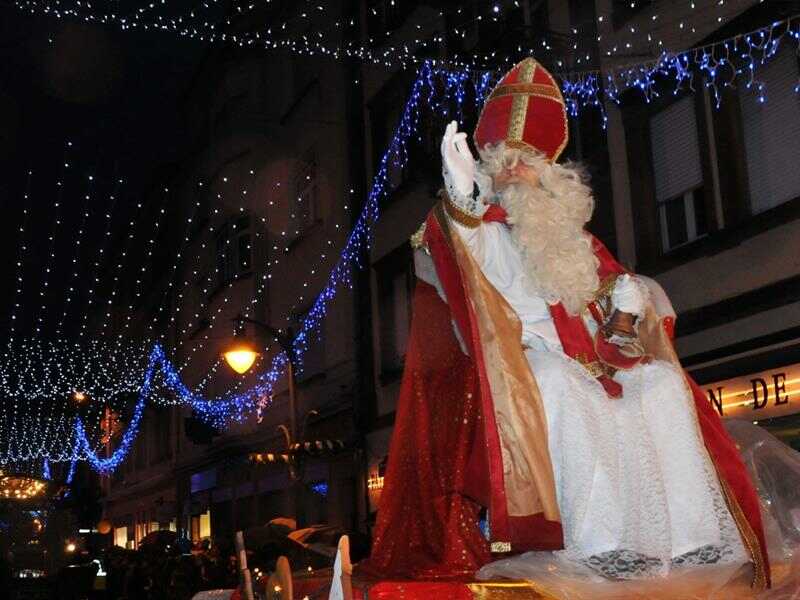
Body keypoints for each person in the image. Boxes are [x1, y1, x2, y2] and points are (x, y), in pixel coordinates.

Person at [363, 57, 771, 590]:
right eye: (502, 163)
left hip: (601, 363)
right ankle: (605, 545)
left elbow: (616, 319)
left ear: (554, 177)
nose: (513, 171)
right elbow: (457, 245)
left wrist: (628, 304)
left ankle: (695, 536)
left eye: (525, 162)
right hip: (532, 364)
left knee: (663, 384)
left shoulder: (580, 246)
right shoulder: (491, 236)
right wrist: (460, 195)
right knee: (561, 384)